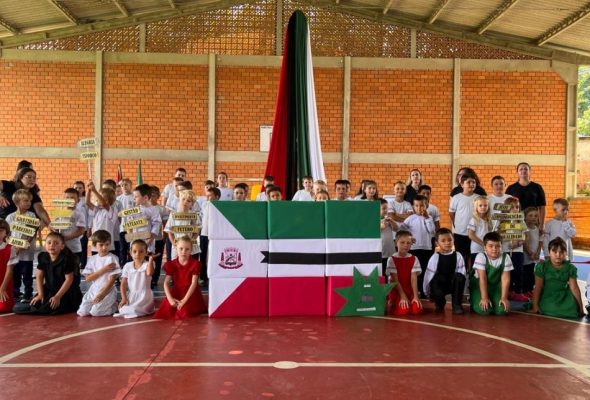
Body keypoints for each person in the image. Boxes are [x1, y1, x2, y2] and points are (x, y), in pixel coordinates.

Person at [13, 232, 82, 315]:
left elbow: (69, 280)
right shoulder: (43, 257)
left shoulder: (66, 260)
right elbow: (39, 276)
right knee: (36, 303)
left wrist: (57, 297)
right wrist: (40, 294)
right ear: (45, 245)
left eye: (56, 243)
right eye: (49, 243)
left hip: (65, 292)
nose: (52, 245)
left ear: (62, 246)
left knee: (50, 307)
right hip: (50, 289)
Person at [154, 236, 206, 319]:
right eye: (181, 248)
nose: (184, 251)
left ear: (191, 250)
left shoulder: (195, 264)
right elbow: (166, 283)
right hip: (176, 292)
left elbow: (193, 284)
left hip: (190, 293)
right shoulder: (171, 264)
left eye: (187, 249)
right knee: (167, 310)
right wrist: (170, 299)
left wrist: (184, 300)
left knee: (184, 311)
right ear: (176, 249)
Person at [531, 237, 585, 318]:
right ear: (549, 252)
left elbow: (574, 288)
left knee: (572, 307)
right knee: (550, 307)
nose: (558, 255)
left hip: (563, 296)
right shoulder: (542, 266)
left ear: (566, 253)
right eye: (554, 251)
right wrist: (535, 306)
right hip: (547, 296)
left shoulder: (570, 268)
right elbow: (538, 287)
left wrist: (581, 308)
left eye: (561, 252)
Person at [397, 195, 435, 297]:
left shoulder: (429, 218)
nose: (419, 208)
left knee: (425, 269)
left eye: (422, 205)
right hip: (414, 248)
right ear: (413, 207)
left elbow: (432, 231)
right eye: (417, 206)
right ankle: (414, 291)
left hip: (426, 248)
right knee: (414, 271)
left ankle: (424, 291)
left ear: (426, 206)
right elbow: (401, 230)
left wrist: (427, 218)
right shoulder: (410, 218)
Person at [6, 189, 39, 302]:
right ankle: (16, 292)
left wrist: (21, 245)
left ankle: (28, 293)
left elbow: (31, 232)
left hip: (27, 252)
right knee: (15, 273)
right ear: (17, 202)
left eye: (30, 200)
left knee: (27, 273)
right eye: (26, 200)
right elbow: (7, 234)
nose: (29, 203)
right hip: (14, 251)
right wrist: (13, 247)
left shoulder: (31, 215)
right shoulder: (10, 217)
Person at [423, 228, 466, 314]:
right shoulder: (435, 257)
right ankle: (440, 302)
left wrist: (460, 292)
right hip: (440, 284)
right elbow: (428, 276)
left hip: (452, 283)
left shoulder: (458, 255)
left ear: (453, 240)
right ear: (437, 243)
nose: (447, 243)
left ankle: (456, 305)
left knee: (459, 277)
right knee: (435, 281)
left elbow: (462, 274)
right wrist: (427, 291)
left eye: (450, 240)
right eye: (443, 241)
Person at [77, 230, 120, 317]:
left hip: (107, 289)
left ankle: (114, 305)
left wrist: (102, 294)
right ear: (94, 245)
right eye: (101, 245)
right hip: (94, 289)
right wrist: (104, 269)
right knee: (82, 312)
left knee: (96, 312)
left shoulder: (113, 258)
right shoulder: (92, 259)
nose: (104, 247)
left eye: (107, 244)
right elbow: (88, 278)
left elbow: (112, 280)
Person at [470, 232, 512, 316]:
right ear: (484, 247)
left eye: (498, 246)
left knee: (502, 310)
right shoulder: (481, 256)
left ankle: (494, 300)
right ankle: (473, 299)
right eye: (490, 246)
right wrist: (484, 298)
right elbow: (483, 278)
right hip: (480, 286)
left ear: (501, 246)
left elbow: (505, 279)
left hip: (496, 287)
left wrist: (504, 298)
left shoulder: (506, 257)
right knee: (484, 310)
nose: (494, 249)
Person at [114, 239, 155, 318]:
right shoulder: (127, 266)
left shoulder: (148, 264)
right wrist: (124, 298)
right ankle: (129, 309)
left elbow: (149, 273)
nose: (137, 254)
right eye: (134, 251)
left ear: (146, 253)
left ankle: (133, 310)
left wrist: (150, 259)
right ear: (130, 253)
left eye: (141, 251)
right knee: (122, 308)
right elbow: (123, 283)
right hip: (132, 296)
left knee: (134, 309)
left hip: (145, 296)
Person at [387, 230, 423, 315]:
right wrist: (403, 296)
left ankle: (412, 300)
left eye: (408, 243)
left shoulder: (414, 258)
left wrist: (415, 296)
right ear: (396, 243)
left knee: (417, 310)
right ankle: (392, 302)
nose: (405, 245)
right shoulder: (391, 259)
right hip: (397, 290)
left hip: (409, 290)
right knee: (404, 311)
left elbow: (414, 278)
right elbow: (395, 280)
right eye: (402, 242)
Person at [449, 173, 479, 269]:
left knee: (472, 255)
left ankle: (471, 274)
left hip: (474, 233)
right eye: (469, 182)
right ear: (462, 184)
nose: (472, 184)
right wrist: (456, 224)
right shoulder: (456, 197)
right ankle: (461, 274)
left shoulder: (478, 198)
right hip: (460, 232)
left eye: (473, 182)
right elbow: (451, 213)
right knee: (461, 256)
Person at [125, 184, 162, 255]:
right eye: (133, 196)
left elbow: (156, 226)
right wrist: (133, 242)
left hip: (148, 244)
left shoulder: (154, 210)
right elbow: (129, 226)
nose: (134, 198)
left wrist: (148, 241)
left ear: (145, 198)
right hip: (135, 244)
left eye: (136, 196)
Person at [506, 162, 546, 227]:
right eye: (521, 169)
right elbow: (507, 207)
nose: (523, 171)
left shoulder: (537, 187)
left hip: (533, 221)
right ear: (517, 172)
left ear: (529, 171)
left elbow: (542, 207)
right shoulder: (511, 188)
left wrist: (541, 224)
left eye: (526, 169)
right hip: (516, 222)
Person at [165, 190, 201, 261]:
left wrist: (191, 242)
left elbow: (196, 231)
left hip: (191, 246)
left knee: (190, 264)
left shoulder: (194, 215)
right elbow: (170, 232)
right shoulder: (173, 215)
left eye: (188, 201)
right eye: (183, 199)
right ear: (179, 200)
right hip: (177, 245)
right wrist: (175, 245)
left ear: (192, 204)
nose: (185, 202)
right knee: (176, 264)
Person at [501, 197, 526, 302]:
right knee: (507, 271)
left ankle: (518, 292)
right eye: (512, 207)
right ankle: (508, 291)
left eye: (517, 207)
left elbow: (524, 236)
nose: (515, 209)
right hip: (505, 250)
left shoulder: (520, 221)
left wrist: (518, 243)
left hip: (517, 251)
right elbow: (499, 236)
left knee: (518, 271)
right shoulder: (502, 221)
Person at [86, 181, 118, 255]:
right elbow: (87, 202)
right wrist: (89, 190)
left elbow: (103, 204)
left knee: (106, 260)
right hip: (95, 242)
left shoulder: (111, 210)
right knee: (93, 257)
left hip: (106, 244)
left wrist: (94, 190)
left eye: (99, 197)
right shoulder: (97, 210)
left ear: (107, 201)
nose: (97, 199)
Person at [199, 187, 220, 287]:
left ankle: (215, 275)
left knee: (214, 256)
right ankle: (203, 277)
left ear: (217, 197)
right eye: (206, 195)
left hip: (216, 235)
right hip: (204, 233)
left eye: (210, 196)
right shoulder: (204, 204)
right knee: (203, 256)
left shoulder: (221, 207)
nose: (207, 198)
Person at [60, 188, 87, 262]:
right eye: (67, 198)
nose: (69, 200)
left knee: (74, 267)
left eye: (72, 198)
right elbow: (55, 228)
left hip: (74, 249)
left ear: (78, 200)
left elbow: (81, 230)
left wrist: (66, 238)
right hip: (61, 248)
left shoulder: (79, 214)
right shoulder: (59, 213)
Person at [523, 207, 543, 298]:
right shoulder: (524, 229)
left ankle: (530, 290)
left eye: (535, 216)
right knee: (526, 273)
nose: (533, 217)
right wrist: (529, 253)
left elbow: (540, 241)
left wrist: (538, 252)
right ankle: (525, 290)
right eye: (530, 215)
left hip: (534, 256)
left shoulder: (538, 229)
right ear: (525, 217)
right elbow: (524, 243)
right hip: (526, 256)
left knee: (532, 273)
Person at [467, 196, 493, 265]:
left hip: (488, 249)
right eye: (480, 205)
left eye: (485, 205)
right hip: (476, 249)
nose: (483, 207)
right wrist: (483, 244)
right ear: (476, 207)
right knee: (476, 269)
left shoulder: (489, 220)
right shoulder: (474, 220)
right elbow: (471, 235)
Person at [0, 220, 18, 313]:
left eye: (0, 230)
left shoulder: (10, 248)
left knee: (4, 308)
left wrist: (2, 288)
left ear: (6, 233)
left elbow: (9, 271)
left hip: (4, 283)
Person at [150, 186, 165, 288]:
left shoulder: (161, 209)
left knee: (157, 259)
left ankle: (155, 278)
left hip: (158, 238)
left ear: (158, 196)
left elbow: (165, 223)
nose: (151, 198)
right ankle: (148, 277)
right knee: (147, 259)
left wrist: (164, 236)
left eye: (154, 195)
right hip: (146, 239)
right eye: (150, 195)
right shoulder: (144, 208)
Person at [117, 178, 135, 265]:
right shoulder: (118, 199)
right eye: (122, 185)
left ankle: (131, 264)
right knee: (122, 248)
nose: (124, 187)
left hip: (132, 228)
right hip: (121, 228)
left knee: (131, 247)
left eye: (126, 185)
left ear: (131, 186)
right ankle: (122, 265)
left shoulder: (134, 197)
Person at [73, 181, 90, 268]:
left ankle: (83, 265)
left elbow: (89, 215)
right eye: (76, 188)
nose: (78, 189)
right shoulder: (70, 200)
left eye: (80, 188)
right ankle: (74, 263)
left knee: (83, 247)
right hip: (73, 228)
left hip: (83, 228)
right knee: (74, 247)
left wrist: (89, 228)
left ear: (83, 189)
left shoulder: (86, 200)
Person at [379, 199, 395, 277]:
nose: (386, 210)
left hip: (390, 252)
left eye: (387, 208)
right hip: (380, 252)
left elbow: (397, 228)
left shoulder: (388, 220)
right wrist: (381, 227)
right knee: (381, 274)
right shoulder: (373, 220)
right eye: (383, 208)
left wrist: (392, 221)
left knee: (390, 274)